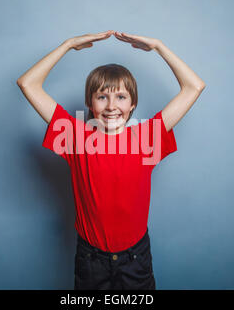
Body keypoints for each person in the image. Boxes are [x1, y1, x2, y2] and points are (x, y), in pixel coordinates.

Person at [17, 30, 206, 290]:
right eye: (102, 96)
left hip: (135, 258)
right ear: (90, 103)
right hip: (90, 259)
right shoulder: (75, 138)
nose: (111, 106)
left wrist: (159, 47)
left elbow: (194, 86)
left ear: (132, 104)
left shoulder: (146, 137)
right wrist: (68, 45)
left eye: (120, 97)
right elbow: (28, 83)